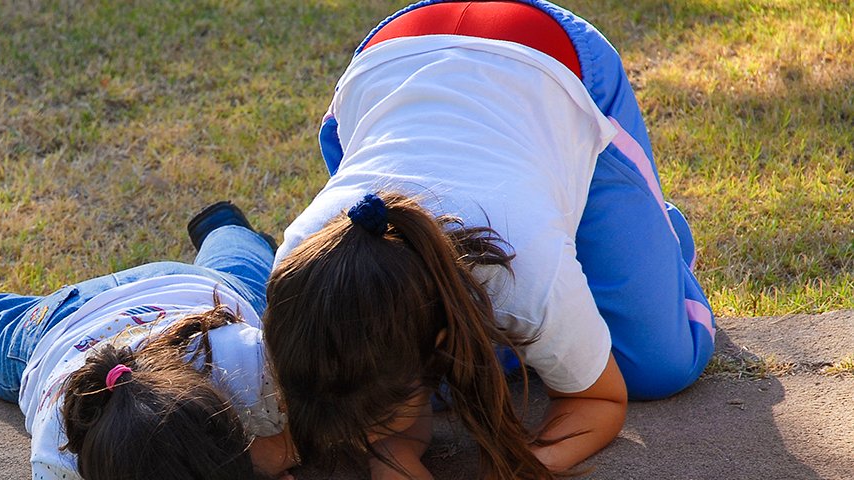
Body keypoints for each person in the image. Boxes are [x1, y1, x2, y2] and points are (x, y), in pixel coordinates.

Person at [264, 1, 715, 478]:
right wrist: (394, 453)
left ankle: (658, 237)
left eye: (372, 432)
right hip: (387, 74)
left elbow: (598, 399)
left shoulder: (525, 272)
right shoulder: (298, 273)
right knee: (438, 377)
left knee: (660, 365)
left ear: (437, 341)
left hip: (546, 61)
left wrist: (521, 468)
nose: (360, 443)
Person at [0, 202, 296, 480]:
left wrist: (280, 454)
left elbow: (330, 405)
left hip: (167, 296)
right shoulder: (60, 454)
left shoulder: (247, 360)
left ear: (232, 424)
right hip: (74, 324)